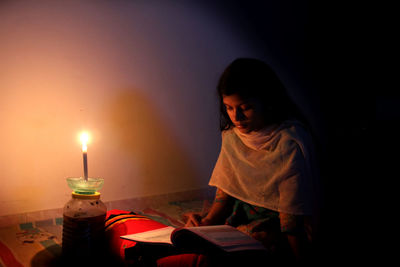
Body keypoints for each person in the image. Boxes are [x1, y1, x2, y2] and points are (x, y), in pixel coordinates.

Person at [183, 58, 321, 265]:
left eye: (245, 108)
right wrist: (207, 222)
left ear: (267, 101)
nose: (236, 117)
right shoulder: (232, 136)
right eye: (228, 108)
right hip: (243, 215)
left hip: (280, 222)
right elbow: (227, 188)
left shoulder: (288, 142)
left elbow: (291, 216)